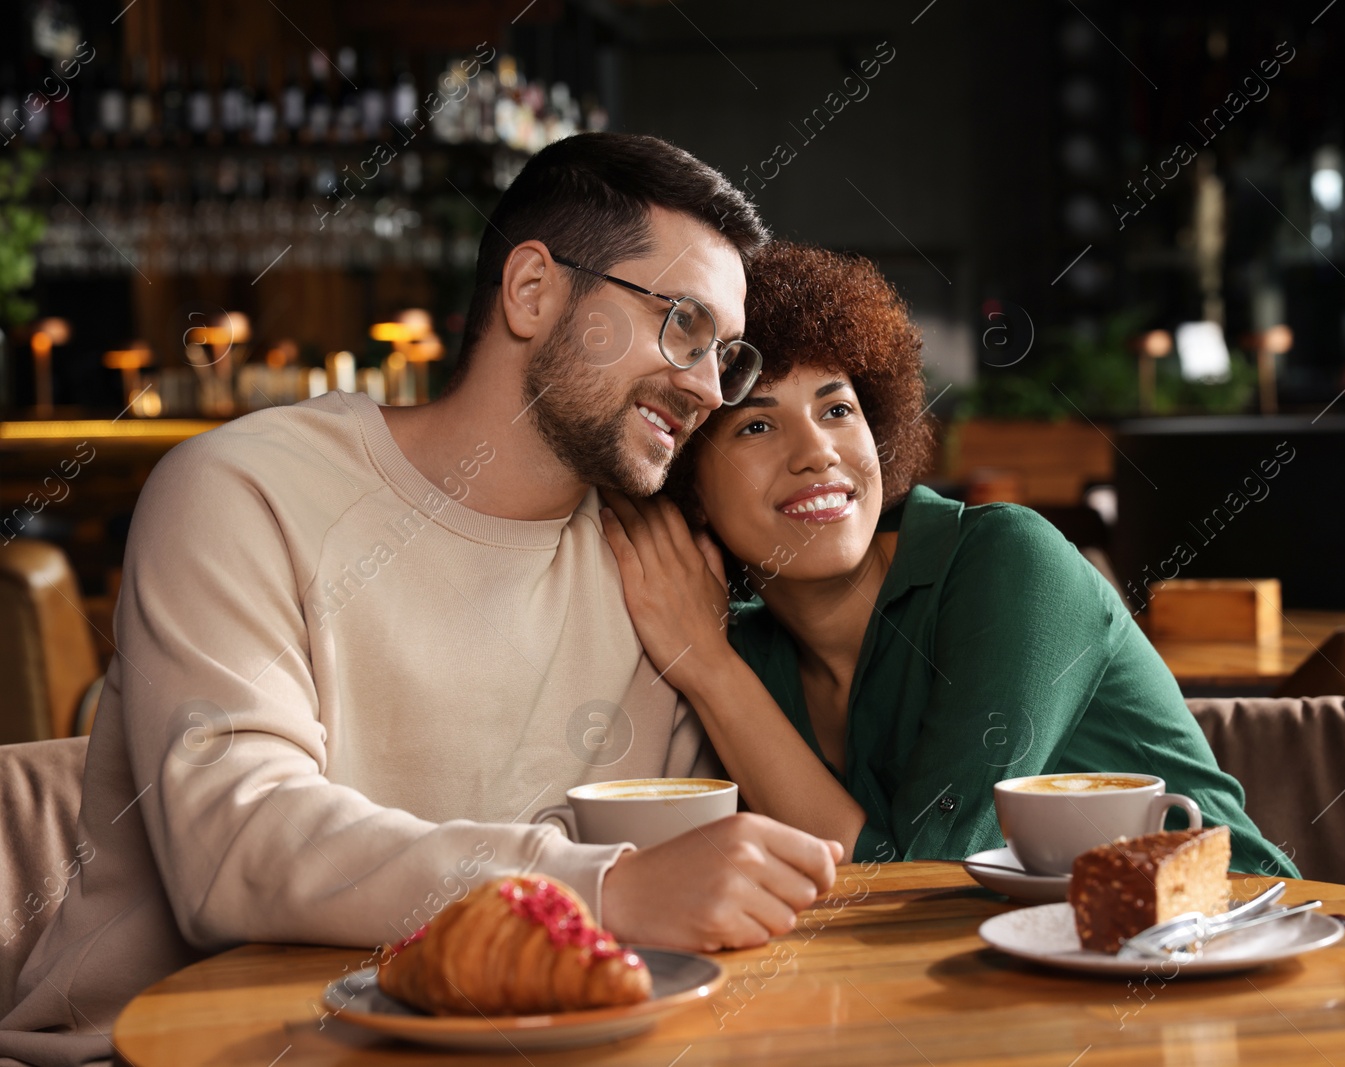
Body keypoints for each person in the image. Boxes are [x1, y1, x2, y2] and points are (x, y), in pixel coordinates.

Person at [0, 135, 842, 1067]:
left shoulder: (651, 575)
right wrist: (608, 888)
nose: (705, 387)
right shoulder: (242, 490)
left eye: (725, 354)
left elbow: (672, 903)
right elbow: (235, 847)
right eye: (680, 324)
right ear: (532, 290)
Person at [599, 241, 1295, 875]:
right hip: (1015, 991)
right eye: (756, 424)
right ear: (688, 479)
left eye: (837, 410)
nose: (818, 453)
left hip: (1231, 948)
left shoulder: (1007, 563)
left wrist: (710, 670)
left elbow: (917, 880)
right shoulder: (750, 642)